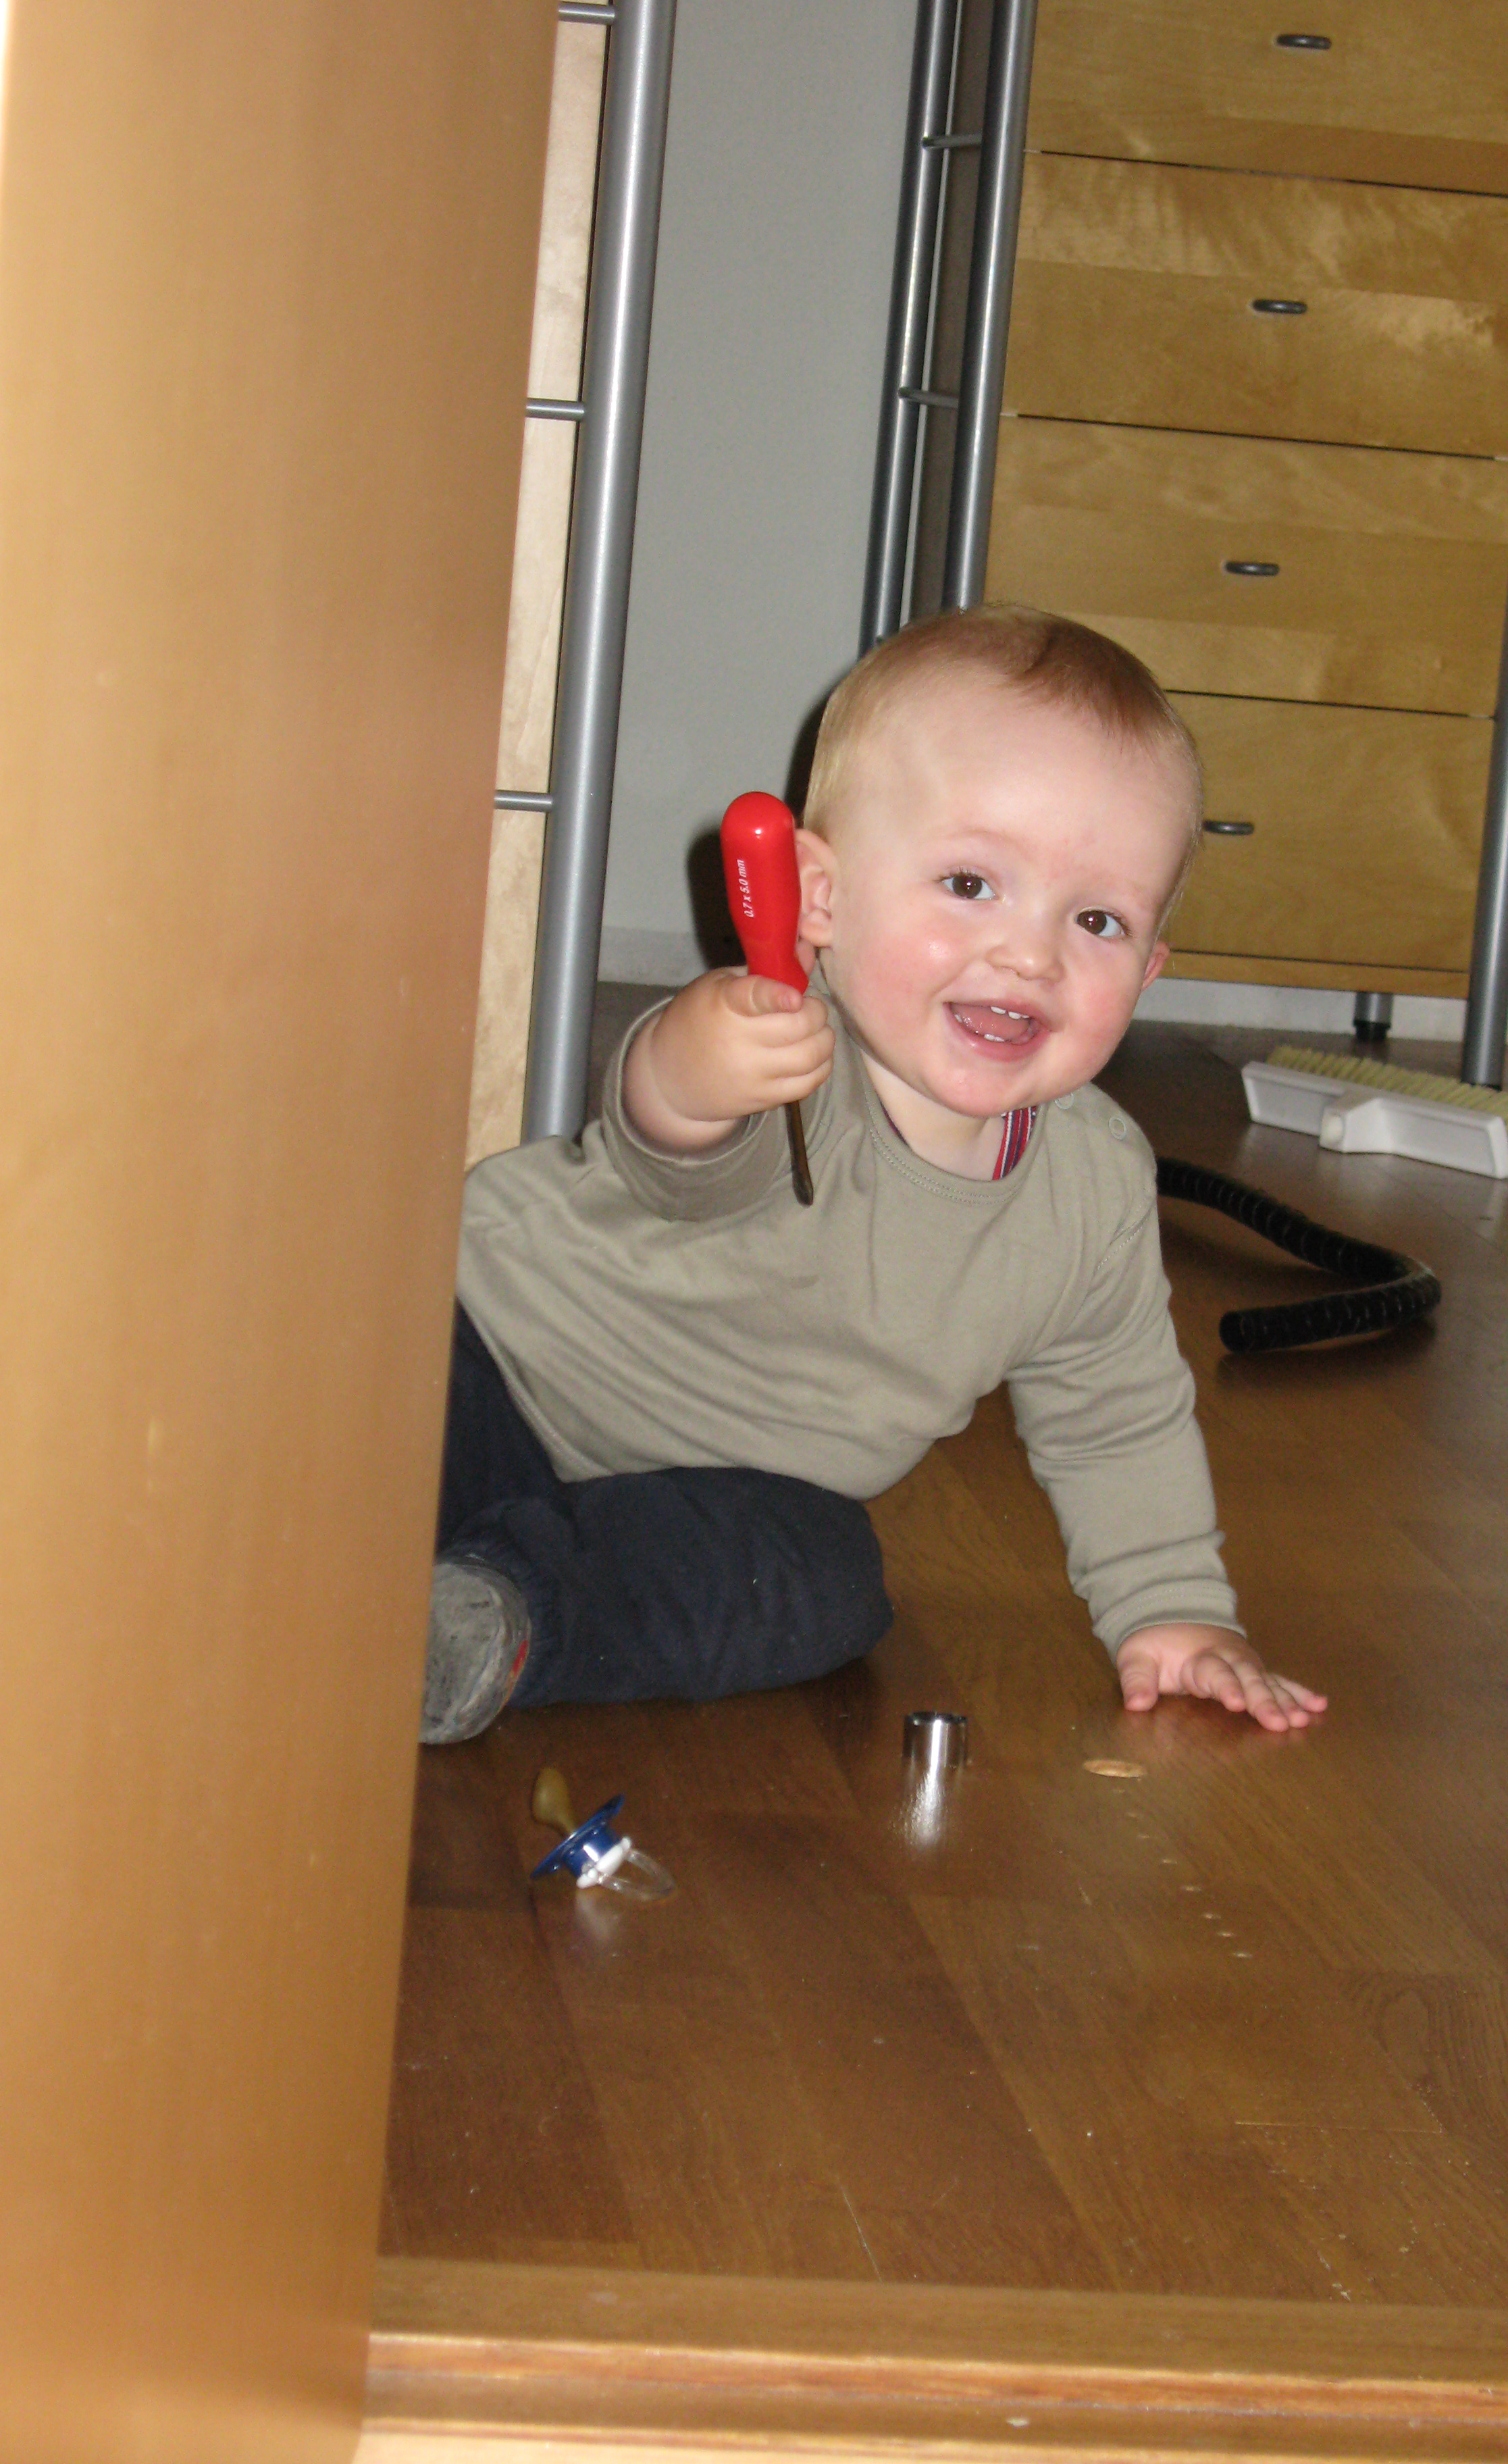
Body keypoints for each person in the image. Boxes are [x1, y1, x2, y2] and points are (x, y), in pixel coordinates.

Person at [425, 605, 1326, 1744]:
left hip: (691, 1503)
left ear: (1148, 971)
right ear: (820, 898)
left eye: (1097, 919)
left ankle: (483, 1620)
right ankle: (320, 1551)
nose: (1030, 953)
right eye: (970, 884)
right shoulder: (787, 1051)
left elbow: (1117, 1417)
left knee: (826, 1580)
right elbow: (670, 1151)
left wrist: (1175, 1608)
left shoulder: (1094, 1190)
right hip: (489, 1367)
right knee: (372, 1421)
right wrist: (692, 1067)